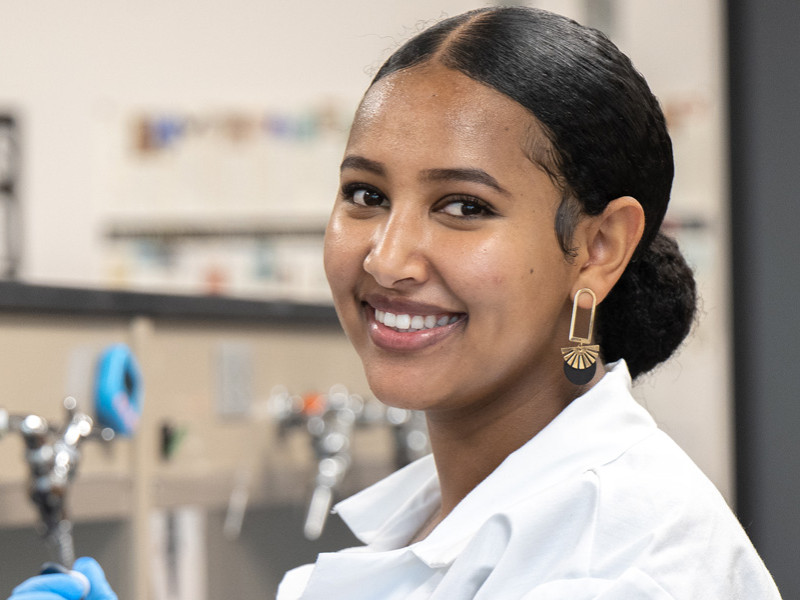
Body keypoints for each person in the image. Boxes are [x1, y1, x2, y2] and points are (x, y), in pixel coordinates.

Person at [9, 6, 781, 600]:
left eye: (464, 206)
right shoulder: (436, 518)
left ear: (599, 247)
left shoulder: (624, 558)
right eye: (366, 194)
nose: (386, 257)